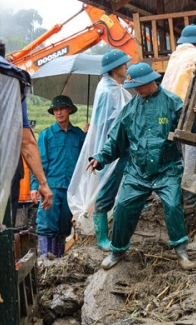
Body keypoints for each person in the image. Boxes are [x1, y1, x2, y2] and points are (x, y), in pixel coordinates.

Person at [86, 62, 196, 271]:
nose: (137, 90)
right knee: (123, 207)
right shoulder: (129, 110)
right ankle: (117, 250)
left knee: (173, 205)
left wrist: (195, 116)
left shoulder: (173, 103)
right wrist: (100, 157)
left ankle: (181, 252)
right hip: (137, 171)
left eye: (141, 86)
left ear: (152, 81)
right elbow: (115, 141)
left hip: (168, 167)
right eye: (134, 87)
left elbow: (190, 131)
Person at [0, 37, 53, 220]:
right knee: (4, 226)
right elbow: (26, 141)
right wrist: (43, 183)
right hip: (6, 168)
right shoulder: (12, 85)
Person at [67, 49, 132, 251]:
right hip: (111, 148)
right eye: (123, 64)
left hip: (121, 146)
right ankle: (102, 238)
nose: (126, 66)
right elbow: (105, 124)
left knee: (120, 186)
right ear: (114, 69)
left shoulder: (117, 88)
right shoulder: (108, 91)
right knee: (105, 190)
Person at [161, 24, 196, 207]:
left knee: (179, 156)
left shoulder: (175, 57)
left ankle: (176, 195)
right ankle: (191, 196)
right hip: (191, 111)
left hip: (173, 111)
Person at [31, 95, 86, 258]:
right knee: (46, 225)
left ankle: (58, 261)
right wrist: (36, 186)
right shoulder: (46, 135)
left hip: (71, 190)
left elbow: (87, 158)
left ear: (69, 110)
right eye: (56, 110)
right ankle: (45, 261)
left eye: (62, 109)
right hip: (51, 188)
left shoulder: (78, 135)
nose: (59, 112)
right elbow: (39, 163)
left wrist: (91, 134)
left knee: (63, 228)